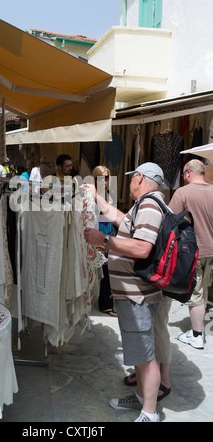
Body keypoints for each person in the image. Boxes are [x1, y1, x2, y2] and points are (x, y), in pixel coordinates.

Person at [83, 162, 166, 422]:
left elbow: (142, 248)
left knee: (145, 356)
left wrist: (104, 241)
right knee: (139, 355)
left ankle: (149, 413)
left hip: (137, 294)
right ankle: (141, 399)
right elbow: (122, 220)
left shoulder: (150, 205)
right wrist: (96, 197)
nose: (129, 181)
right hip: (132, 294)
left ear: (140, 178)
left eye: (132, 178)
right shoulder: (145, 204)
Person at [169, 159, 213, 349]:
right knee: (203, 291)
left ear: (188, 173)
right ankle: (198, 329)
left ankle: (196, 335)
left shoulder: (182, 192)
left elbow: (170, 218)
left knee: (195, 293)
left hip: (192, 251)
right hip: (211, 249)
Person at [92, 165, 117, 317]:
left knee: (108, 271)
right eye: (100, 178)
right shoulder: (92, 195)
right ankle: (103, 303)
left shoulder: (110, 194)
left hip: (108, 234)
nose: (104, 181)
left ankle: (106, 304)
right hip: (97, 234)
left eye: (106, 177)